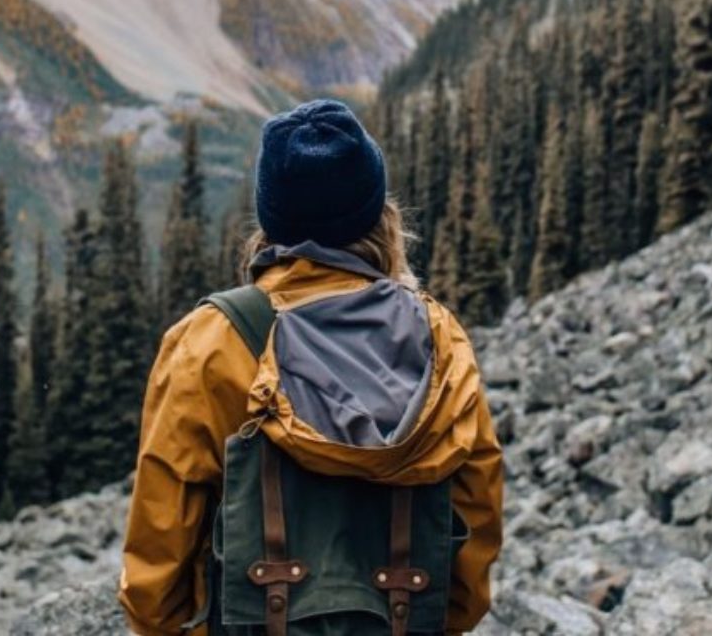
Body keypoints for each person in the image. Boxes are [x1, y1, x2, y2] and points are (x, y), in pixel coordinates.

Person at [118, 98, 503, 635]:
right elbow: (475, 514)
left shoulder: (209, 341)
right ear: (379, 216)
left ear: (270, 221)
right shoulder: (440, 338)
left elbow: (160, 547)